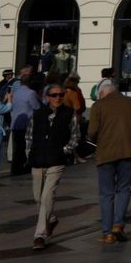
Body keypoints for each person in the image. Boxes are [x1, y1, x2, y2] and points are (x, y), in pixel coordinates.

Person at [87, 77, 131, 243]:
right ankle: (118, 225)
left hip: (105, 155)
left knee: (106, 194)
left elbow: (92, 132)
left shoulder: (98, 106)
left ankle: (107, 233)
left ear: (101, 93)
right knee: (124, 189)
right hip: (128, 152)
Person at [26, 83, 80, 249]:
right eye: (54, 95)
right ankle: (51, 219)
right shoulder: (38, 114)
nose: (58, 98)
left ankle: (40, 235)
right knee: (38, 197)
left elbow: (75, 135)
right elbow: (29, 136)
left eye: (61, 95)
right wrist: (30, 153)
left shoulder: (69, 113)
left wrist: (64, 150)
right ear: (47, 97)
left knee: (47, 196)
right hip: (37, 160)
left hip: (56, 161)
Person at [9, 72, 40, 175]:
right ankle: (25, 167)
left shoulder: (16, 92)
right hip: (27, 124)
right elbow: (36, 107)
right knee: (26, 146)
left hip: (15, 123)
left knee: (17, 147)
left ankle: (15, 168)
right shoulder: (31, 93)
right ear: (30, 82)